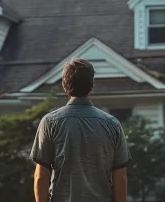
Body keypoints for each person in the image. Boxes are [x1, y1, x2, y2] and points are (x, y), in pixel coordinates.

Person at [29, 58, 131, 202]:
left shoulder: (50, 122)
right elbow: (120, 177)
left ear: (65, 85)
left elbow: (41, 176)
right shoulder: (112, 124)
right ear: (91, 85)